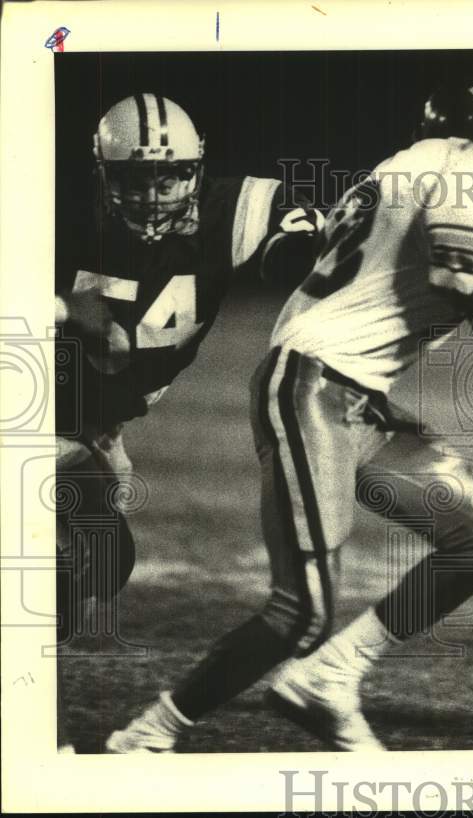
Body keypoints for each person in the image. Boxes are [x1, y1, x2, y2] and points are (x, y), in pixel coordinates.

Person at [105, 78, 473, 753]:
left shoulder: (403, 164)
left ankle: (330, 677)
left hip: (351, 396)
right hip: (313, 389)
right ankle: (146, 737)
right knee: (301, 611)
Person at [55, 93, 323, 647]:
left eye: (168, 179)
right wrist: (58, 306)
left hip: (92, 424)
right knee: (62, 567)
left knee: (104, 566)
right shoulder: (60, 215)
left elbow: (300, 227)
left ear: (196, 172)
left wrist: (303, 251)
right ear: (103, 175)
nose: (151, 197)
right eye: (133, 181)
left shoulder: (227, 212)